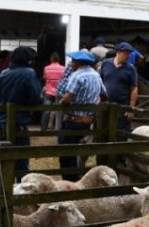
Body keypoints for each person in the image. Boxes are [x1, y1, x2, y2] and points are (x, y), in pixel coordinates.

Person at [0, 47, 42, 176]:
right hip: (18, 122)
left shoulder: (3, 73)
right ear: (27, 60)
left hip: (0, 120)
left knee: (0, 156)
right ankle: (19, 188)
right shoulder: (29, 73)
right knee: (21, 157)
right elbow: (35, 97)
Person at [59, 51, 106, 180]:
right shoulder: (96, 75)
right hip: (88, 121)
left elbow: (67, 98)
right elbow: (104, 95)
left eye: (73, 61)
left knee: (66, 153)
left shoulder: (77, 76)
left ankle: (70, 180)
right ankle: (79, 177)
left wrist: (62, 102)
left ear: (79, 63)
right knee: (80, 150)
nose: (72, 64)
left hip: (73, 120)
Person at [99, 41, 138, 133]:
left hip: (122, 107)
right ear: (118, 52)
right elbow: (100, 82)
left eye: (129, 53)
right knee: (104, 131)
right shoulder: (105, 64)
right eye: (126, 53)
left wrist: (131, 109)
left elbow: (134, 88)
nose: (128, 56)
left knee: (121, 132)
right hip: (106, 105)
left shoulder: (130, 69)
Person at [40, 52, 65, 132]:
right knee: (59, 112)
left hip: (49, 92)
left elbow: (45, 77)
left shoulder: (46, 68)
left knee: (46, 111)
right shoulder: (63, 68)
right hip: (60, 92)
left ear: (51, 59)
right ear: (59, 59)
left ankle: (43, 129)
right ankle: (59, 129)